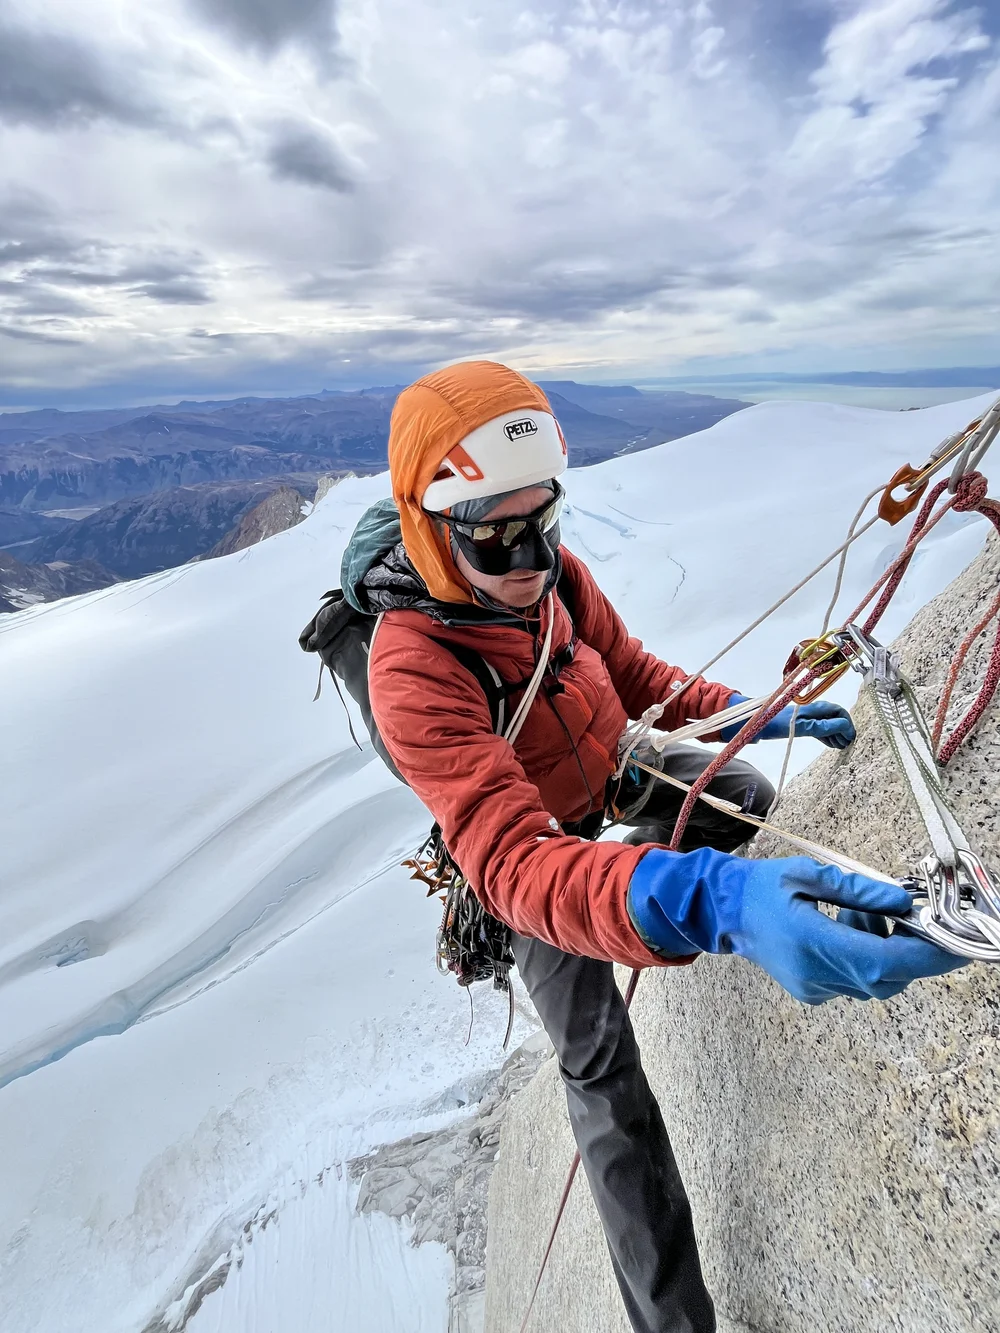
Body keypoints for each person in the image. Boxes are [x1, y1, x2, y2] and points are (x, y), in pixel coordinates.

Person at [341, 360, 962, 1333]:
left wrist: (752, 715)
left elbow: (630, 673)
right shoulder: (410, 669)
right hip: (530, 853)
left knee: (743, 794)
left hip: (607, 773)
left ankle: (694, 897)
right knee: (597, 1066)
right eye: (496, 535)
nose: (530, 560)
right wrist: (711, 899)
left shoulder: (548, 580)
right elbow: (513, 864)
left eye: (543, 522)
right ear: (431, 530)